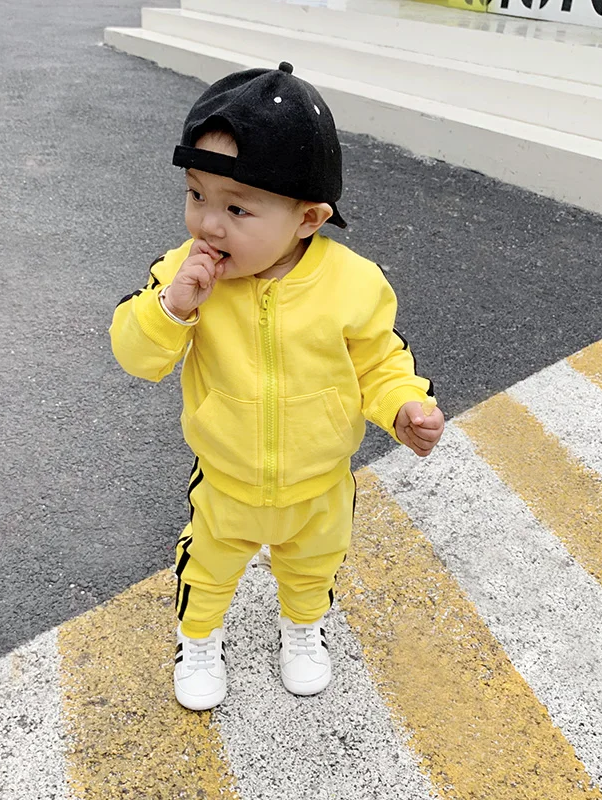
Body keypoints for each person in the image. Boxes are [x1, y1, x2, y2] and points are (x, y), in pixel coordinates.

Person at [109, 62, 444, 711]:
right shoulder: (183, 274)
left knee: (313, 565)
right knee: (206, 569)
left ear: (308, 218)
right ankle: (198, 639)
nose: (208, 224)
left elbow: (380, 360)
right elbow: (136, 355)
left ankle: (302, 629)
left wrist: (403, 405)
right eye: (197, 195)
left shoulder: (354, 284)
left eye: (236, 207)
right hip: (227, 477)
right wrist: (173, 308)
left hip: (319, 481)